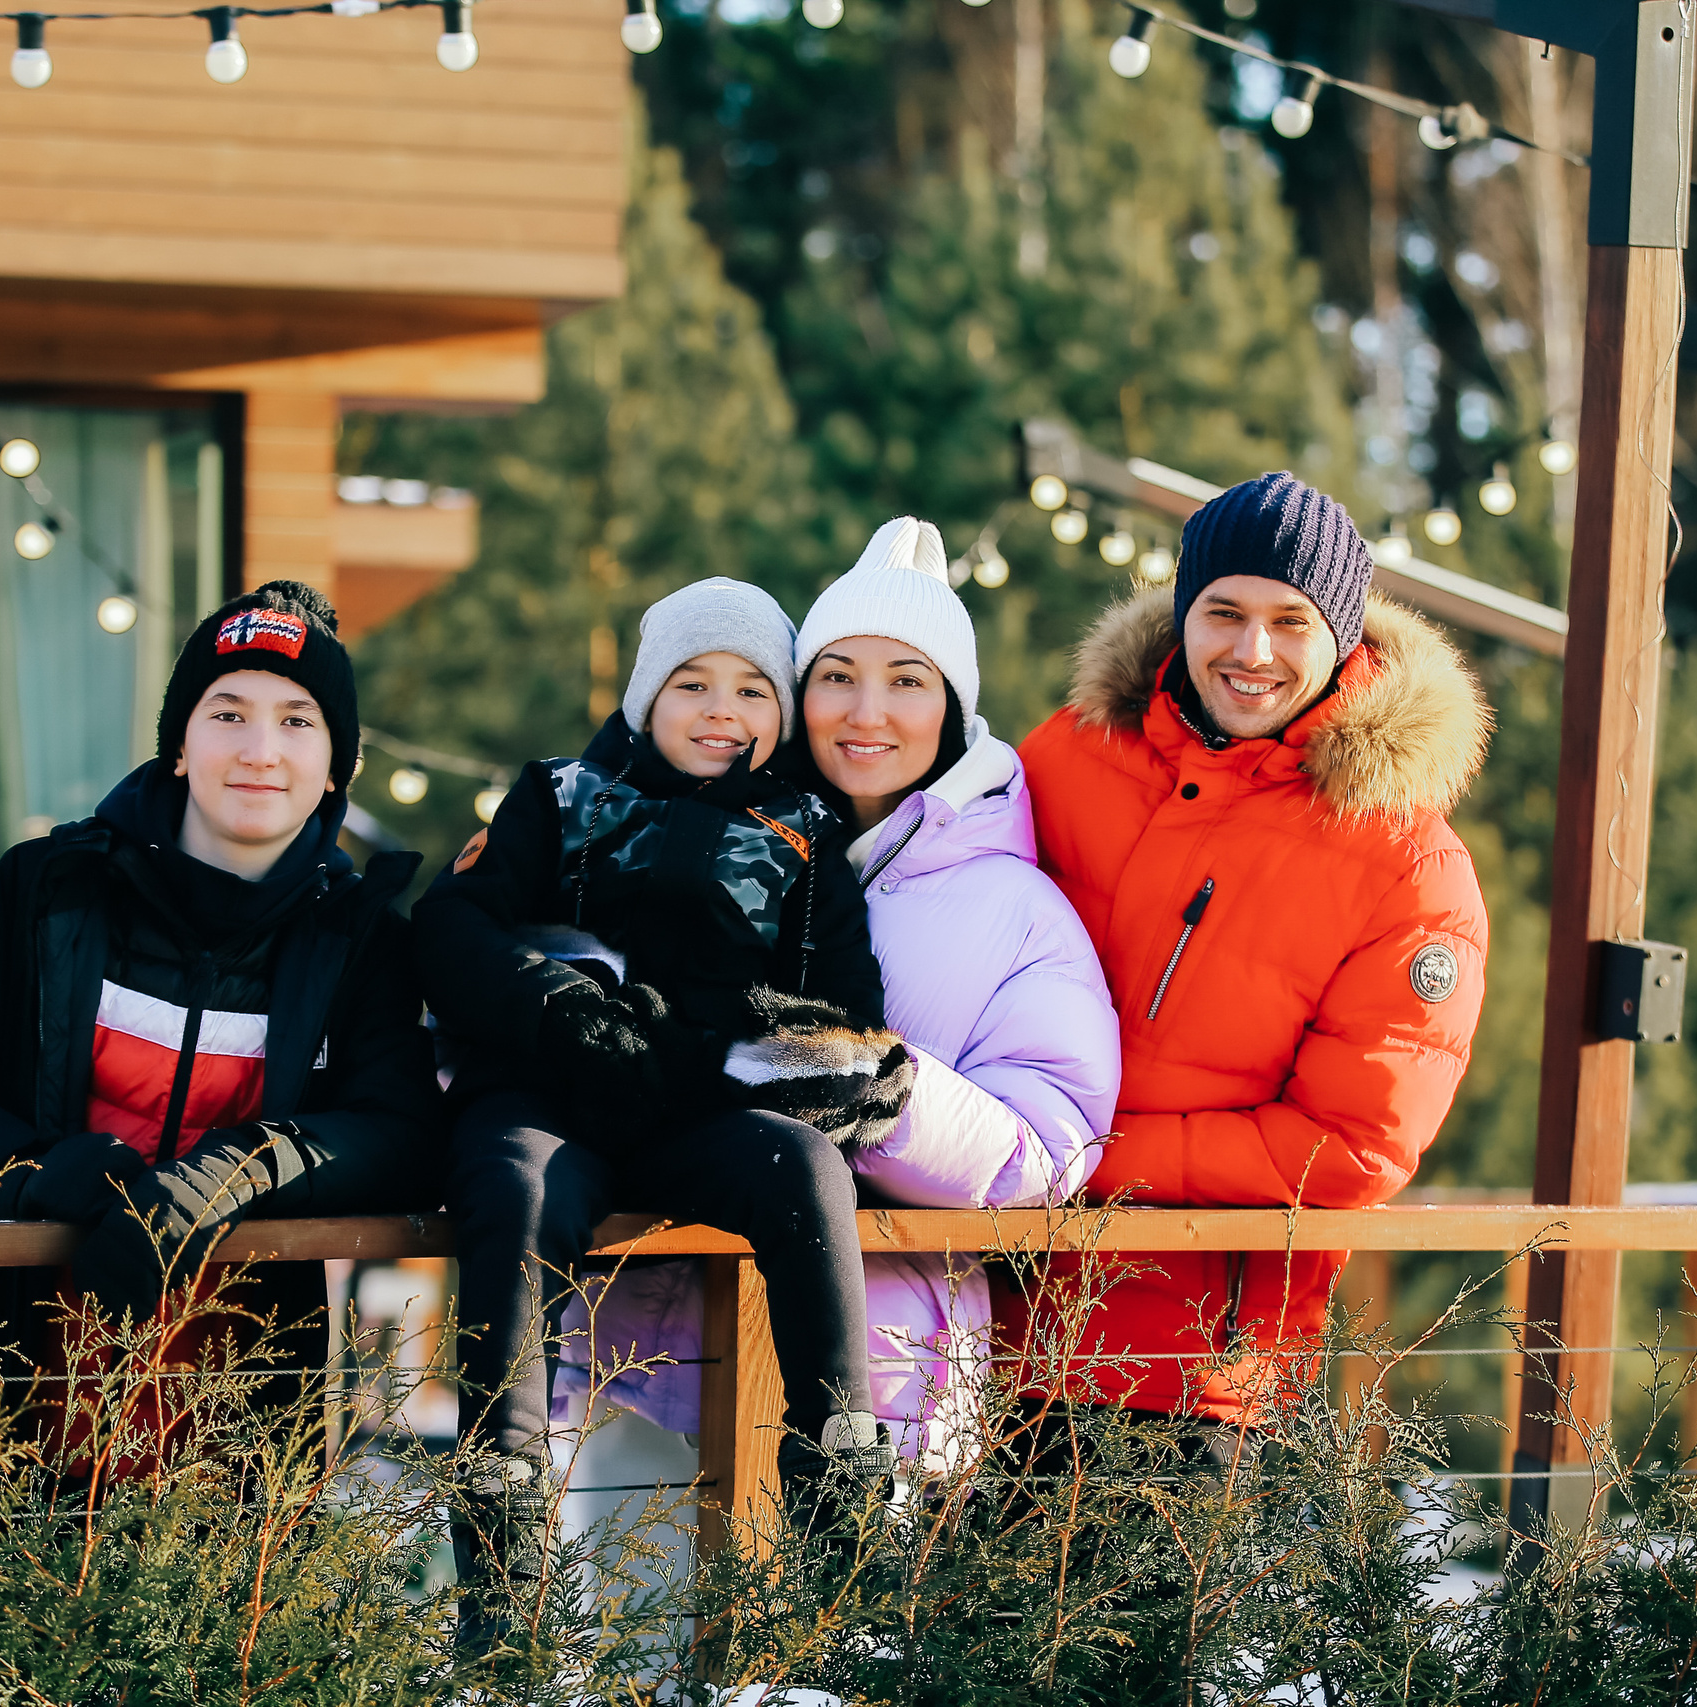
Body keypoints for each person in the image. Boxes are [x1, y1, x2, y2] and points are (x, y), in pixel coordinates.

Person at [549, 518, 1120, 1488]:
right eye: (836, 675)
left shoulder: (1016, 908)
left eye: (906, 680)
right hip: (641, 1355)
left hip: (882, 1380)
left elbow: (1052, 1139)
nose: (867, 711)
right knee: (613, 1636)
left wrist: (883, 1096)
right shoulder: (684, 830)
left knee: (830, 1642)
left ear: (951, 707)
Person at [413, 576, 913, 1642]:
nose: (719, 710)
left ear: (780, 712)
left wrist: (701, 1050)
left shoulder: (804, 835)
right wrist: (553, 1005)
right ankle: (502, 1539)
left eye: (749, 689)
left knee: (803, 1172)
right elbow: (455, 929)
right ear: (647, 695)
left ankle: (841, 1499)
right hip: (554, 1094)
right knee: (513, 1182)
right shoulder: (558, 798)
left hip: (700, 1107)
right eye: (691, 683)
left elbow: (845, 1014)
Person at [0, 581, 444, 1441]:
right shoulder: (42, 891)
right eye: (227, 712)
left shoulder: (362, 944)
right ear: (179, 743)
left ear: (336, 768)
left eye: (297, 720)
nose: (259, 749)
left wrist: (242, 1169)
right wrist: (37, 1173)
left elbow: (402, 1135)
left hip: (234, 1433)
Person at [1007, 470, 1491, 1448]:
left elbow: (1353, 1145)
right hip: (981, 1339)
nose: (1251, 650)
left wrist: (1068, 1161)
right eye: (1223, 612)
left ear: (1342, 636)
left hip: (1203, 1381)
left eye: (1290, 620)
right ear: (1182, 612)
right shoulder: (1067, 757)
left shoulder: (1405, 861)